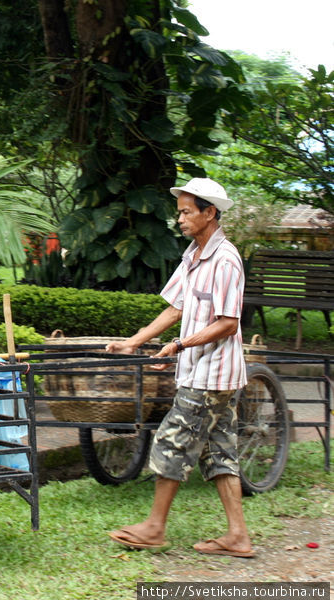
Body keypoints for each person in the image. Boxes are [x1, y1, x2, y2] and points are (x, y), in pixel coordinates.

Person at [105, 177, 254, 558]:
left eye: (187, 212)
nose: (181, 219)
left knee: (172, 440)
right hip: (200, 370)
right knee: (219, 451)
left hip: (212, 373)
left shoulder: (225, 260)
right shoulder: (193, 255)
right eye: (180, 213)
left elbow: (228, 322)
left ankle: (155, 527)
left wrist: (179, 344)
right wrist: (134, 342)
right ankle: (238, 536)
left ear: (210, 212)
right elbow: (176, 307)